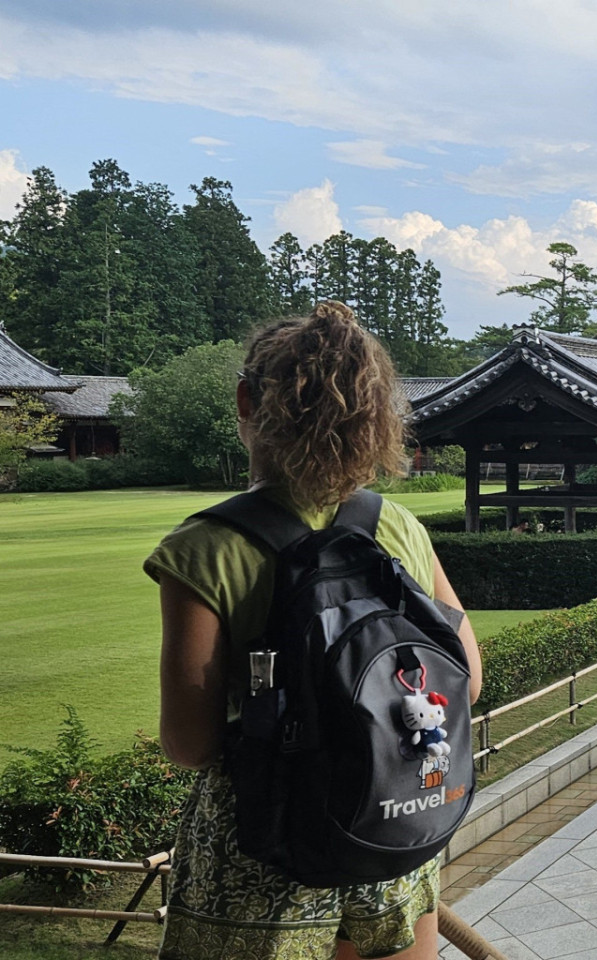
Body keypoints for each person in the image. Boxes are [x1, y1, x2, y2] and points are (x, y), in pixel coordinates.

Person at [146, 302, 484, 960]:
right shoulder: (396, 528)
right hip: (389, 833)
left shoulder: (206, 547)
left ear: (248, 400)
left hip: (263, 852)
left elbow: (189, 742)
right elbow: (465, 676)